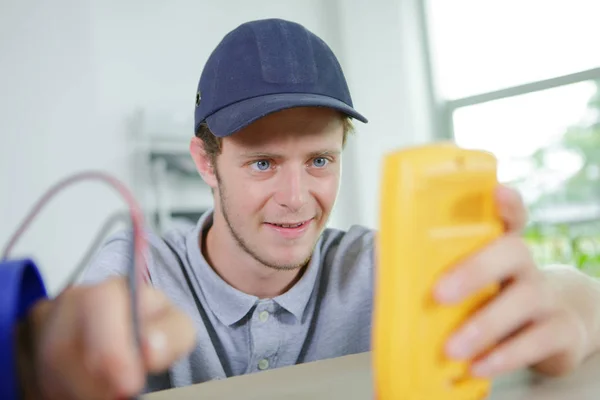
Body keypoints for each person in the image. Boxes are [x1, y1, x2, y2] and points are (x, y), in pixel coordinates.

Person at [3, 17, 600, 400]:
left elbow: (578, 294)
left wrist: (563, 304)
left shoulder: (377, 262)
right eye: (262, 163)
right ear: (206, 162)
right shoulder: (142, 270)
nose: (296, 199)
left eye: (319, 160)